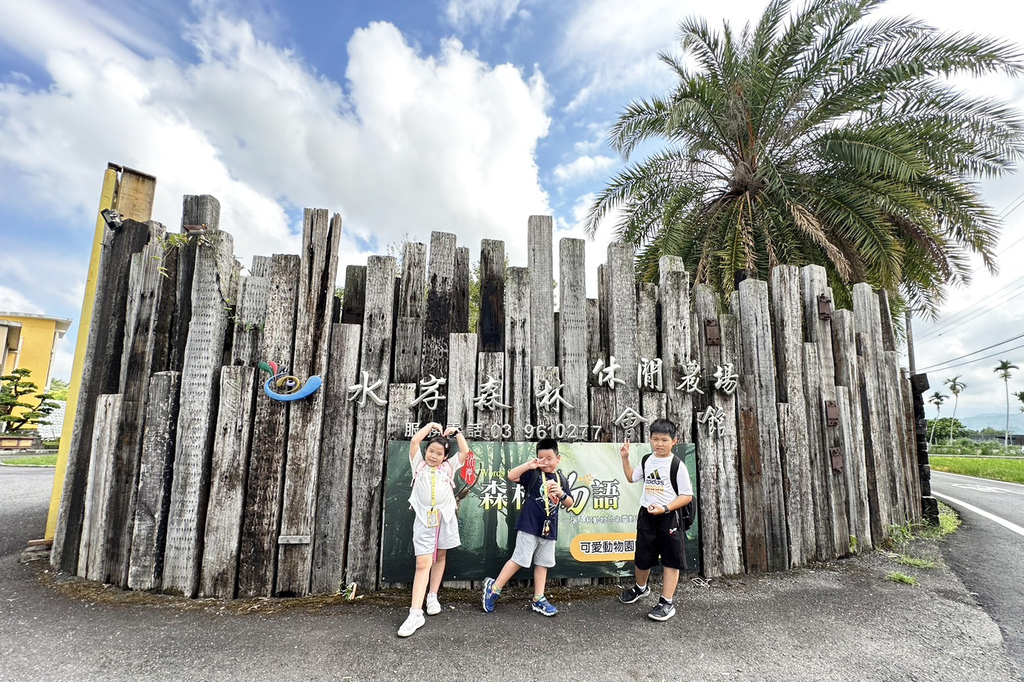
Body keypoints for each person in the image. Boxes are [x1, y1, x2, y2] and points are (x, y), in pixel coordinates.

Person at [481, 438, 574, 616]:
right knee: (520, 559)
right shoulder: (534, 474)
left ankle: (539, 599)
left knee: (543, 563)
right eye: (541, 458)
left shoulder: (561, 479)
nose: (545, 462)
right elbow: (511, 476)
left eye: (549, 458)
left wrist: (561, 493)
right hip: (529, 525)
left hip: (549, 529)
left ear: (558, 458)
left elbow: (570, 503)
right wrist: (529, 465)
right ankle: (494, 588)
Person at [398, 422, 471, 637]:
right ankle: (415, 613)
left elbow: (465, 451)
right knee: (423, 563)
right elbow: (414, 441)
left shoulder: (448, 468)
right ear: (426, 451)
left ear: (445, 456)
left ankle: (433, 595)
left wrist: (456, 433)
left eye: (439, 453)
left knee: (440, 556)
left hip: (445, 518)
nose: (433, 456)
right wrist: (430, 425)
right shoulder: (418, 465)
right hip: (423, 519)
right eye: (431, 451)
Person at [617, 418, 693, 621]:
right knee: (642, 556)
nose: (659, 444)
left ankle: (667, 602)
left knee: (671, 559)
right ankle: (641, 588)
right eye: (655, 439)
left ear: (674, 441)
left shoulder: (677, 465)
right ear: (650, 439)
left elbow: (686, 496)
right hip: (647, 516)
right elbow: (632, 477)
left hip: (669, 518)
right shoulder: (647, 460)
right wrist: (625, 458)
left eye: (664, 440)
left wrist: (665, 508)